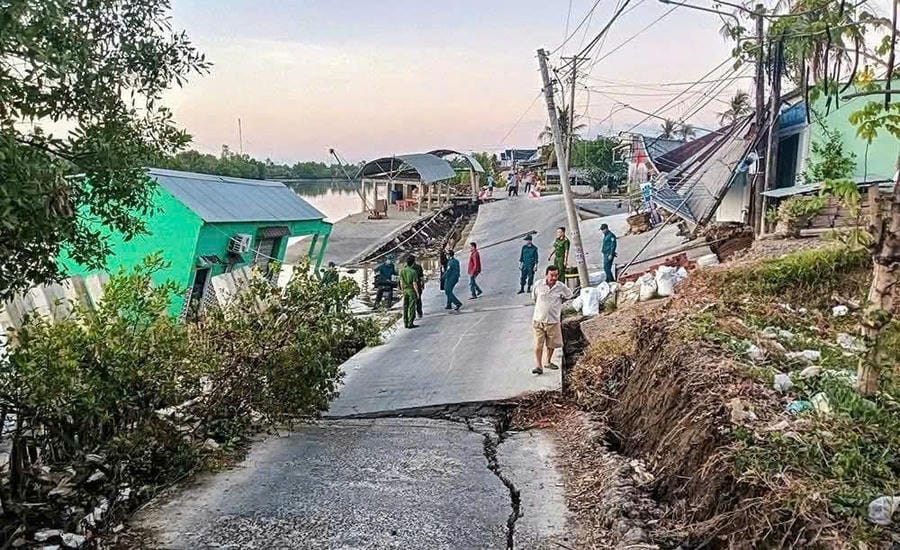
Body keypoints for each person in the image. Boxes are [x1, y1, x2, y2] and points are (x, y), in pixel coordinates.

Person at [531, 265, 573, 375]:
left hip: (553, 320)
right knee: (538, 344)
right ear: (546, 275)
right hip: (538, 320)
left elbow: (569, 295)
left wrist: (558, 303)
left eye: (556, 275)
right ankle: (538, 366)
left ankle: (548, 361)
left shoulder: (561, 287)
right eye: (551, 275)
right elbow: (534, 298)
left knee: (551, 344)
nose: (554, 278)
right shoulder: (538, 285)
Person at [399, 255, 420, 329]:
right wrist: (417, 293)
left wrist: (402, 290)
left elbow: (401, 282)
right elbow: (414, 284)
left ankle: (405, 322)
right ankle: (410, 323)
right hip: (411, 291)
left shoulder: (402, 270)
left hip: (405, 290)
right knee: (411, 307)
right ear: (413, 263)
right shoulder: (413, 272)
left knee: (405, 307)